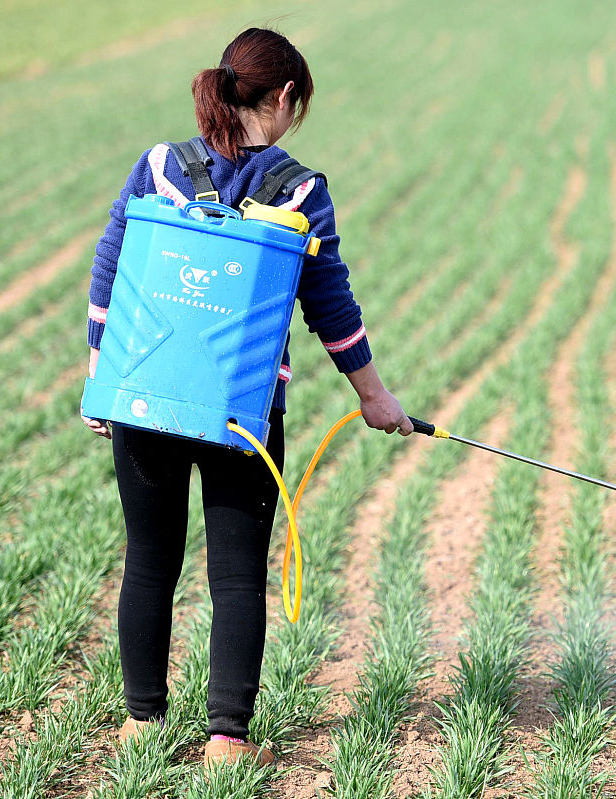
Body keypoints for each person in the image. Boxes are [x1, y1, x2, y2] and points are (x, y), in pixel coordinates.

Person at [81, 27, 413, 766]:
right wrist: (375, 397)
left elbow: (113, 264)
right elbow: (330, 304)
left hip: (146, 400)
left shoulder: (159, 166)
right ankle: (227, 739)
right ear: (286, 96)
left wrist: (101, 377)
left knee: (149, 558)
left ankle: (141, 723)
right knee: (235, 574)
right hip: (244, 416)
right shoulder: (300, 190)